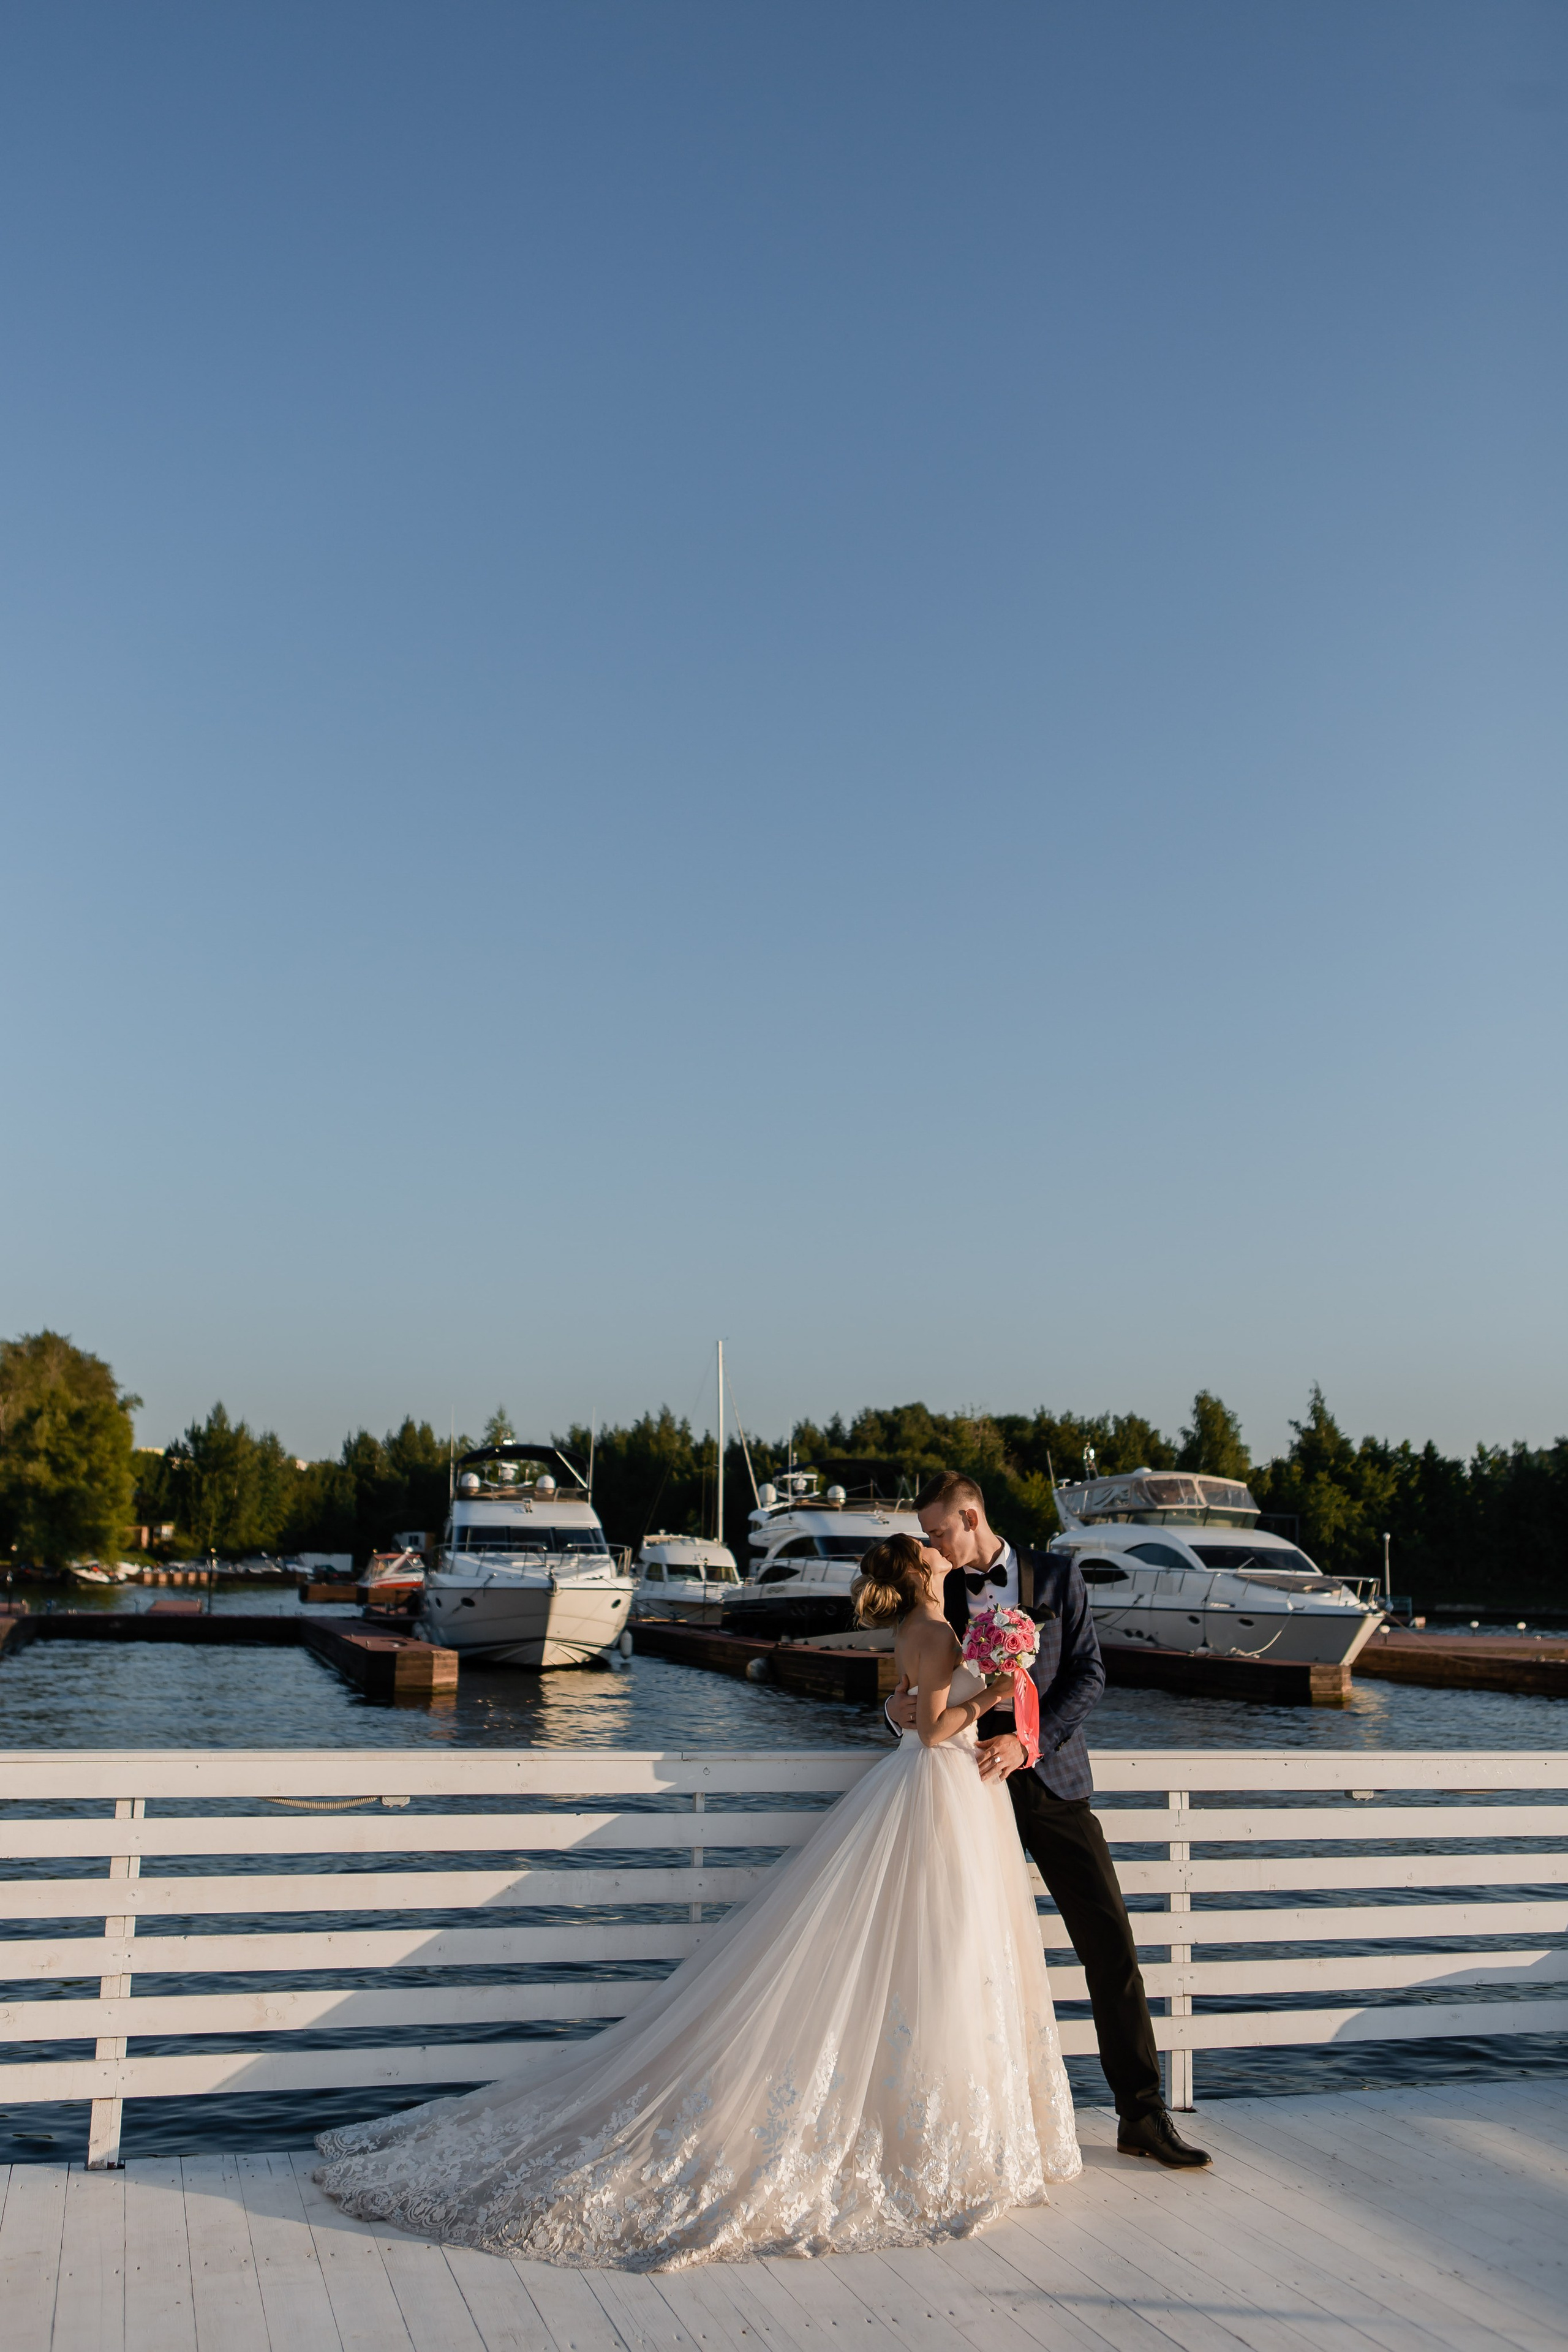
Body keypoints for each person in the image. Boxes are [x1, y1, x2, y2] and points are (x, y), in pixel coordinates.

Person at [314, 1532, 1081, 2268]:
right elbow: (931, 1728)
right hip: (940, 1787)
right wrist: (996, 1689)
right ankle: (932, 2126)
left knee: (925, 1947)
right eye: (928, 1547)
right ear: (921, 1571)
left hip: (928, 1793)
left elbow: (904, 1708)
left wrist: (975, 1681)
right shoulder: (941, 1630)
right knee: (943, 1950)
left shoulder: (918, 1628)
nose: (939, 1548)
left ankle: (930, 2113)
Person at [885, 1470, 1211, 2171]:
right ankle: (960, 2123)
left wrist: (1029, 1740)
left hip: (1051, 1783)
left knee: (1109, 1946)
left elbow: (1088, 1673)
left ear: (970, 1516)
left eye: (938, 1530)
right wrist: (894, 1711)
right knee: (956, 1955)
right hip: (966, 1791)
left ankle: (1141, 2116)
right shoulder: (936, 1591)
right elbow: (908, 1682)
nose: (930, 1543)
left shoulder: (1059, 1576)